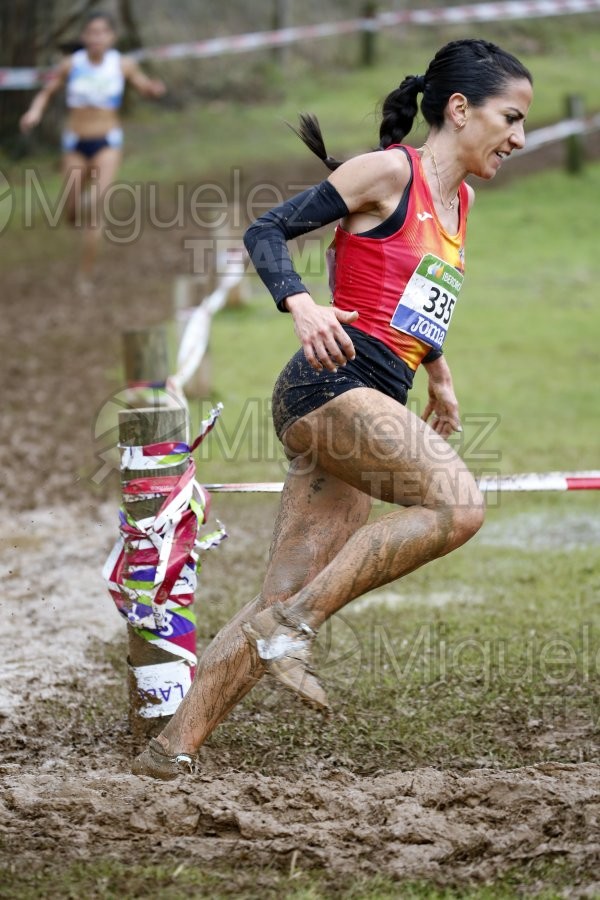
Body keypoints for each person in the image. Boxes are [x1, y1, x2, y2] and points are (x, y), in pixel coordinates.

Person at [132, 38, 533, 779]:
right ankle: (295, 630)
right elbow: (266, 231)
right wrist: (302, 305)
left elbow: (412, 295)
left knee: (279, 590)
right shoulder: (388, 171)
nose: (519, 137)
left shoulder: (461, 199)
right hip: (328, 384)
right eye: (510, 118)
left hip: (375, 394)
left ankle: (170, 751)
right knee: (459, 506)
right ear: (458, 109)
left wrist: (438, 371)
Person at [19, 11, 165, 288]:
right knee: (71, 208)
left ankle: (84, 275)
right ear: (84, 37)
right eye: (91, 33)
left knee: (96, 203)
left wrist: (154, 90)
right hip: (75, 142)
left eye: (102, 32)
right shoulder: (71, 64)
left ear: (111, 37)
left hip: (107, 141)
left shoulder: (121, 64)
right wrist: (34, 112)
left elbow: (144, 86)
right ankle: (76, 207)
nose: (96, 38)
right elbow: (47, 92)